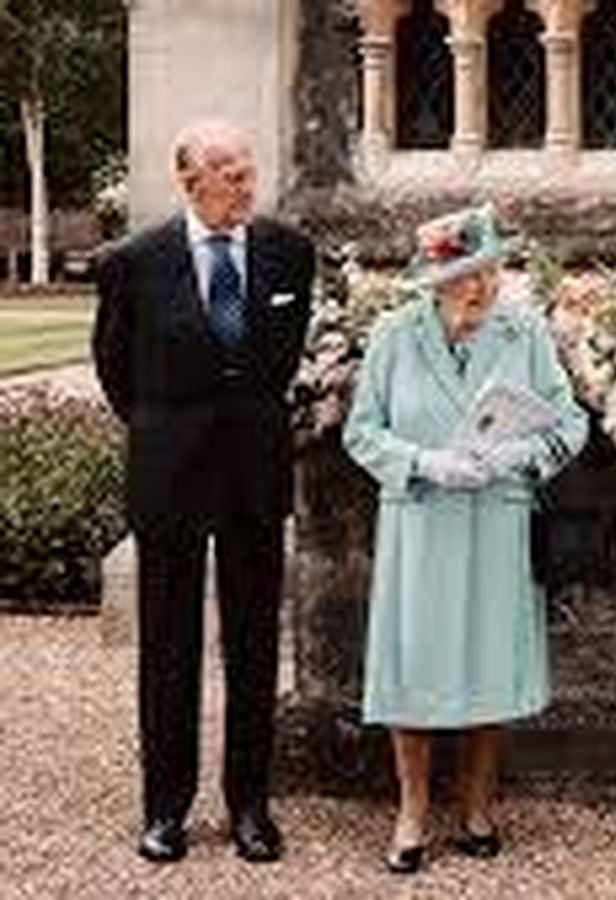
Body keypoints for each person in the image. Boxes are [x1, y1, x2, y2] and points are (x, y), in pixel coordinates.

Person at [92, 119, 314, 863]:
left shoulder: (291, 251)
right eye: (231, 171)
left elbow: (283, 361)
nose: (247, 182)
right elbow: (115, 369)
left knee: (254, 645)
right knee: (168, 646)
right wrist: (168, 431)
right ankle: (165, 810)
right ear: (191, 181)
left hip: (255, 472)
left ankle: (250, 806)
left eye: (249, 167)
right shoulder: (133, 262)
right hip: (169, 475)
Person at [342, 205, 589, 874]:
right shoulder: (394, 334)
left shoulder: (523, 331)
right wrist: (424, 463)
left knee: (488, 661)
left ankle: (477, 806)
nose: (482, 287)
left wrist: (517, 457)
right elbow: (361, 432)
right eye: (467, 275)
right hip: (420, 520)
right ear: (434, 280)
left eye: (491, 270)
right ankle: (412, 811)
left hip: (495, 516)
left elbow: (569, 424)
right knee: (413, 667)